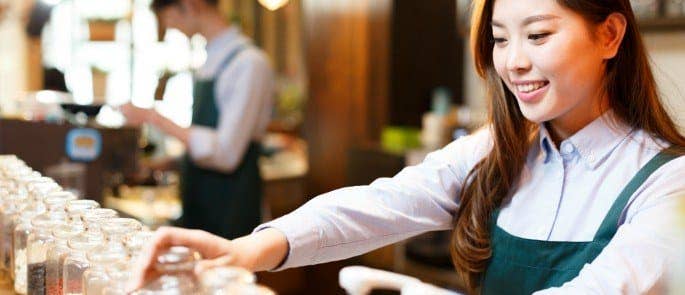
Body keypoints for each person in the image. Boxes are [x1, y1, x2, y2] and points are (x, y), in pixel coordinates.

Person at [129, 0, 685, 293]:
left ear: (610, 35)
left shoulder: (666, 180)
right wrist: (251, 249)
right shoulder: (501, 146)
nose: (513, 61)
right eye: (498, 38)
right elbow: (383, 202)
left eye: (538, 35)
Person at [121, 0, 274, 239]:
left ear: (190, 5)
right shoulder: (212, 59)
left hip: (232, 206)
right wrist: (171, 162)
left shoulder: (248, 63)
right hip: (199, 202)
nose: (171, 28)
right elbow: (208, 142)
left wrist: (153, 117)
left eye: (169, 18)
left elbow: (226, 154)